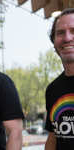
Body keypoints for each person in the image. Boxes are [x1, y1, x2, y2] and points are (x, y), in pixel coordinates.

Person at [44, 8, 74, 150]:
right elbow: (53, 137)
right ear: (54, 42)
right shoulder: (52, 90)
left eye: (73, 31)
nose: (67, 38)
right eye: (60, 33)